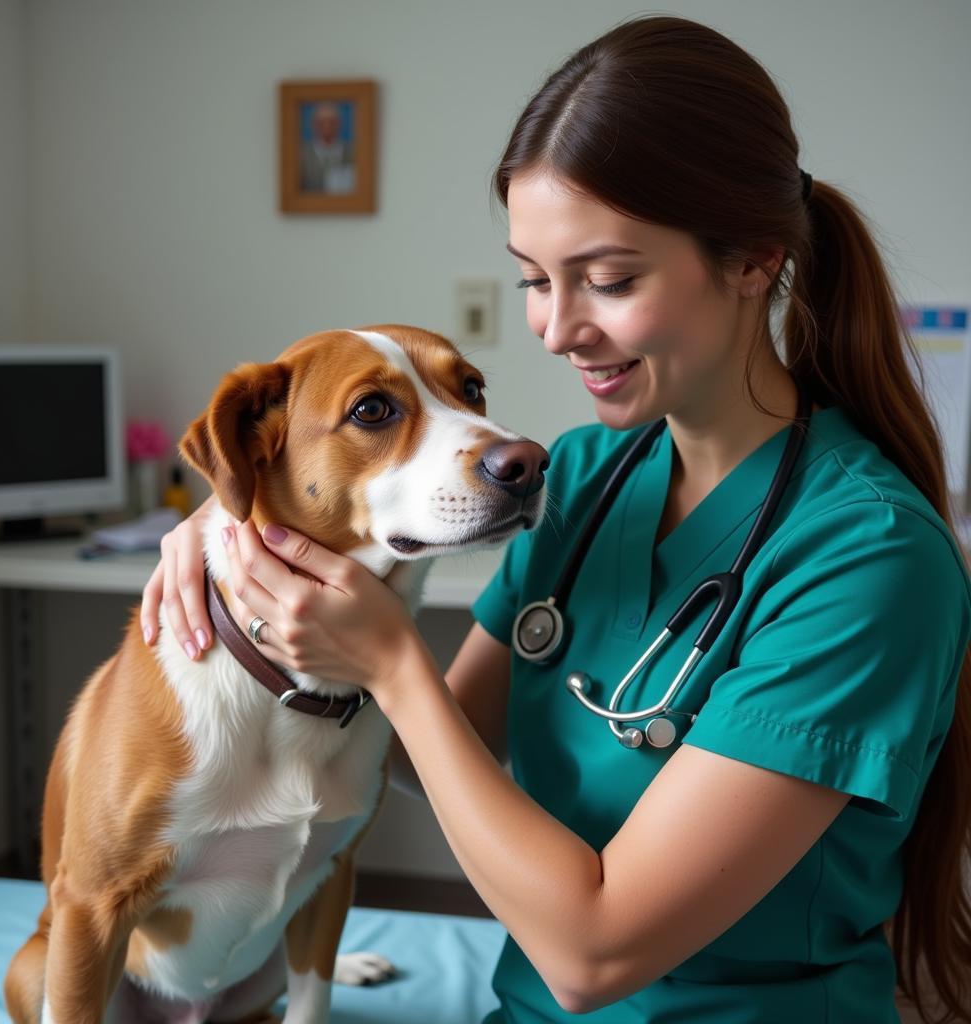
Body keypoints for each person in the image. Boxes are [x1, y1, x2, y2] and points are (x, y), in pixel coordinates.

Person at [141, 16, 971, 1023]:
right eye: (535, 279)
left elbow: (591, 953)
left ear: (752, 259)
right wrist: (242, 536)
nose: (556, 328)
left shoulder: (864, 556)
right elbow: (415, 752)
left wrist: (397, 664)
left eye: (609, 280)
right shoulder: (585, 474)